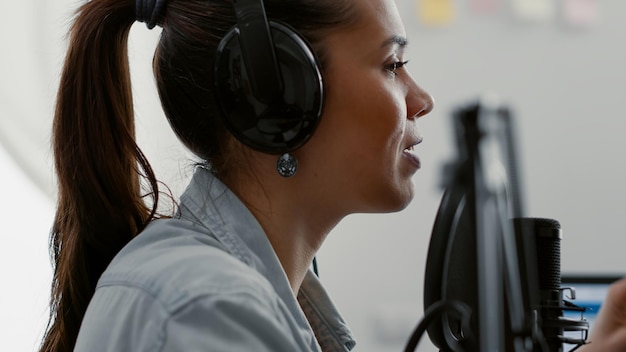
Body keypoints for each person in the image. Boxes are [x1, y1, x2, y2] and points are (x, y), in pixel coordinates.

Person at [39, 0, 434, 351]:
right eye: (392, 65)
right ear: (276, 94)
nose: (422, 101)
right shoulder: (207, 312)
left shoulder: (227, 299)